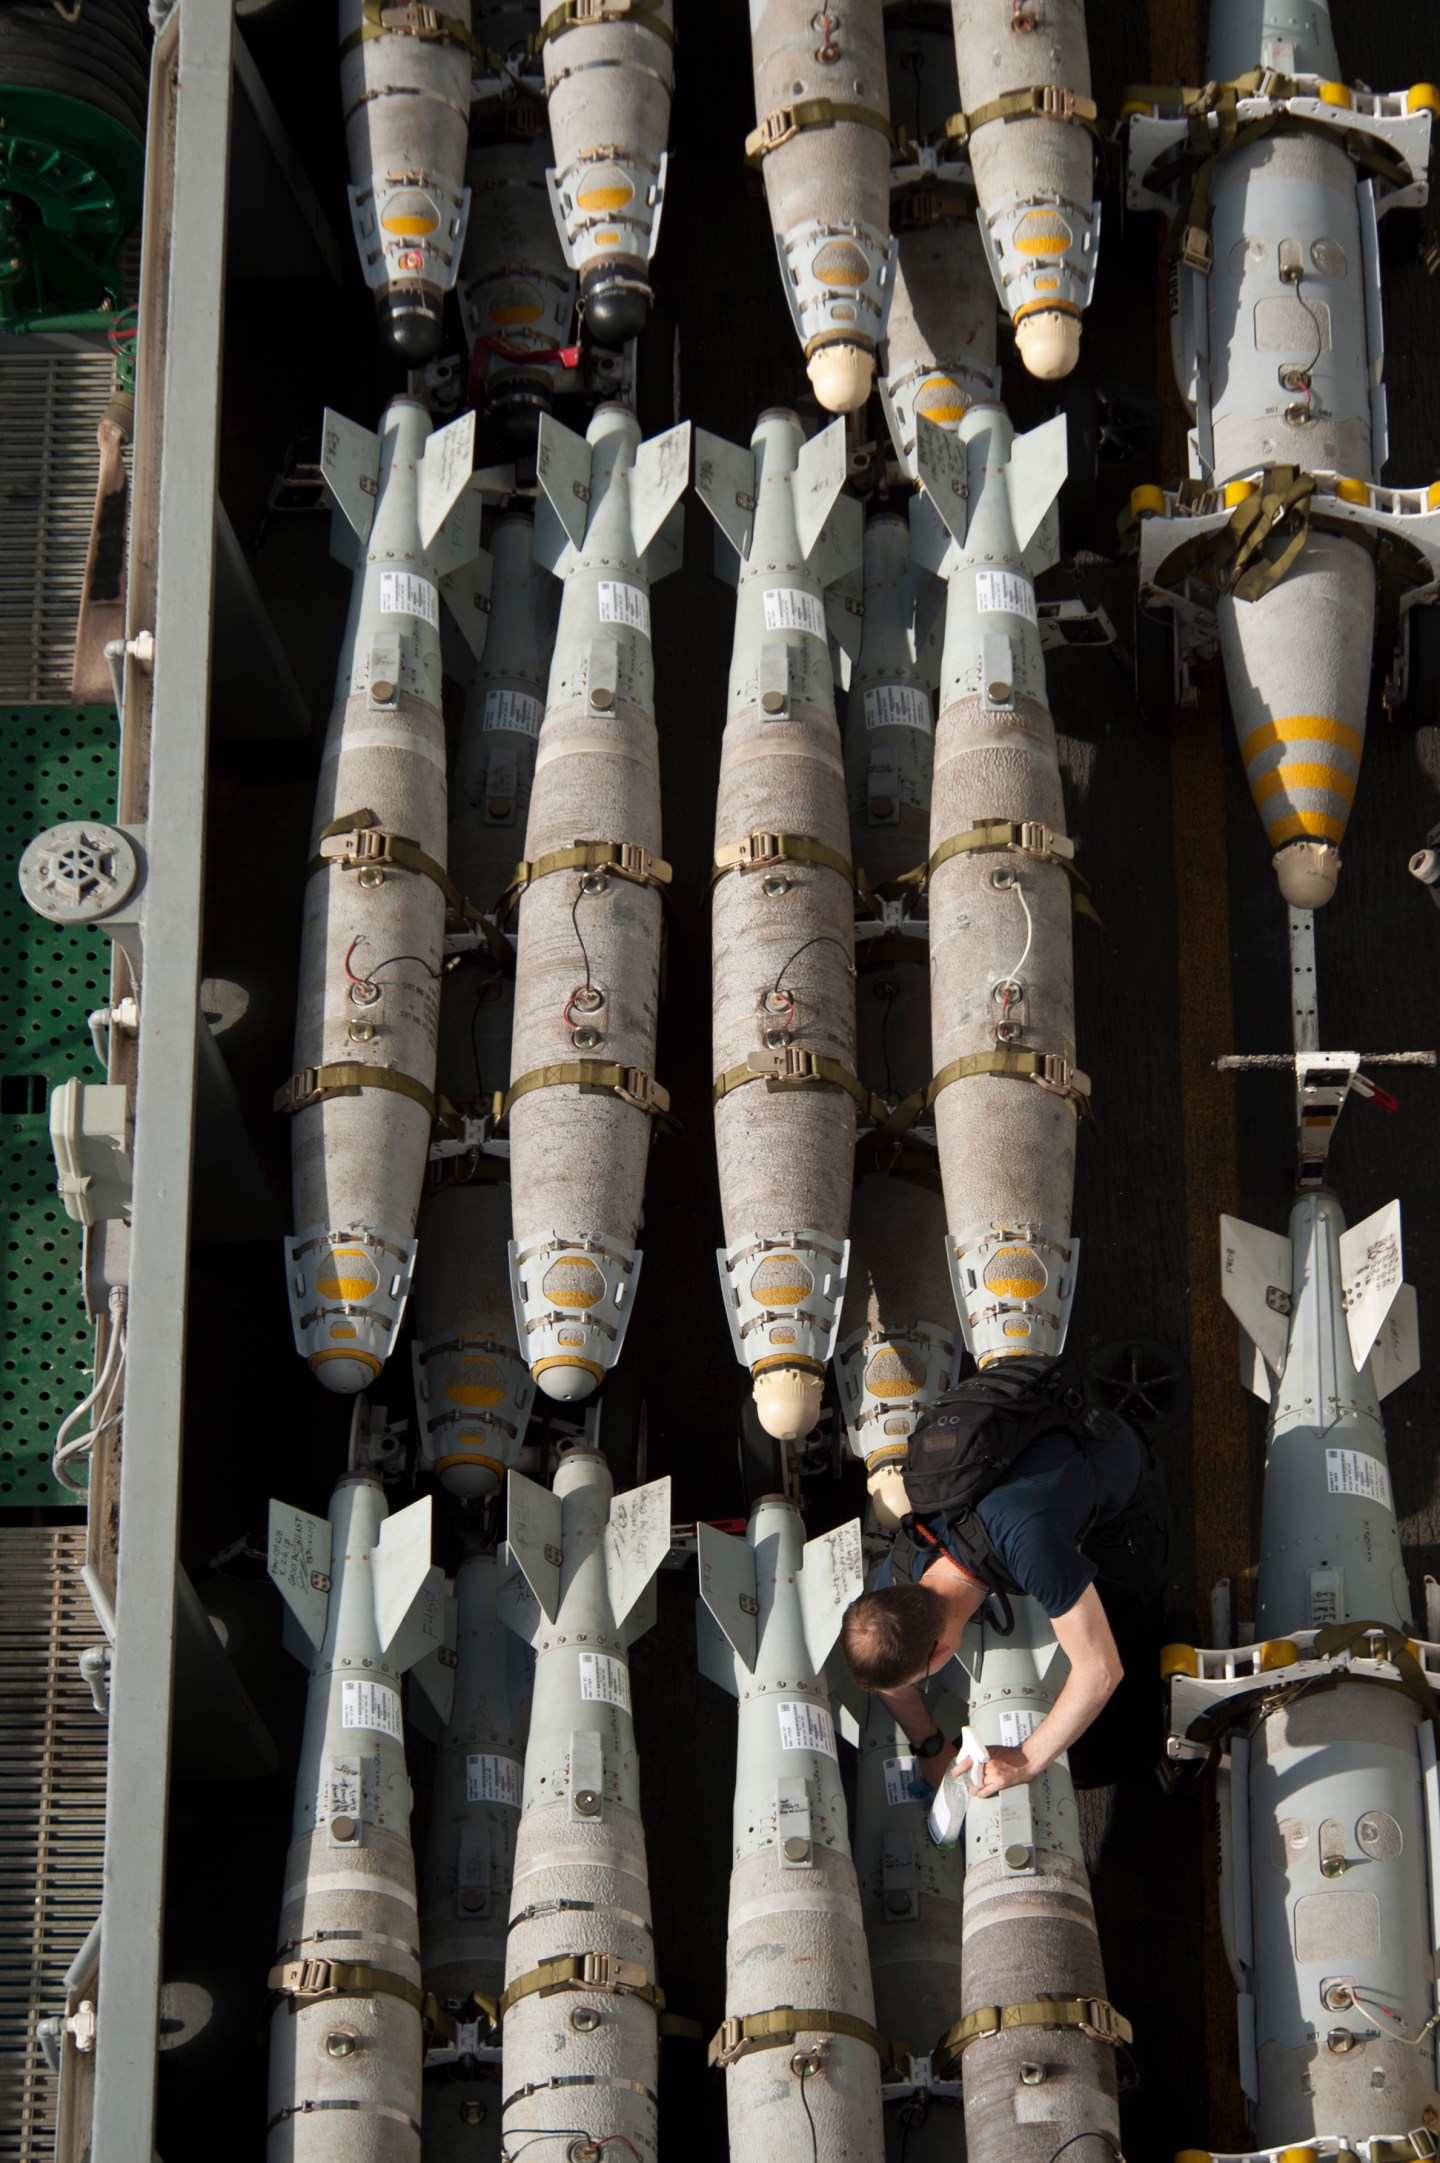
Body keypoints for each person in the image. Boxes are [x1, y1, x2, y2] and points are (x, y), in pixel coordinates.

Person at [840, 1364, 1171, 1799]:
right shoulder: (903, 1569)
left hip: (1113, 1485)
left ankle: (1138, 1749)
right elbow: (889, 1680)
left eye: (925, 1678)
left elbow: (1101, 1671)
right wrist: (929, 1744)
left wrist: (1026, 1759)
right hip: (1027, 1467)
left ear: (941, 1652)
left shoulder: (1029, 1544)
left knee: (1128, 1612)